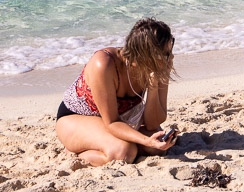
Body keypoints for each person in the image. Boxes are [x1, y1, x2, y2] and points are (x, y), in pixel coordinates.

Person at [55, 17, 177, 167]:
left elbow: (153, 123)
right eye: (165, 54)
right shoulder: (104, 64)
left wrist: (153, 87)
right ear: (147, 55)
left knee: (156, 149)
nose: (171, 57)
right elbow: (112, 122)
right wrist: (145, 140)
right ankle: (77, 150)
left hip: (117, 121)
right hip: (76, 118)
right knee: (124, 152)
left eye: (170, 50)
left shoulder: (156, 66)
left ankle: (108, 143)